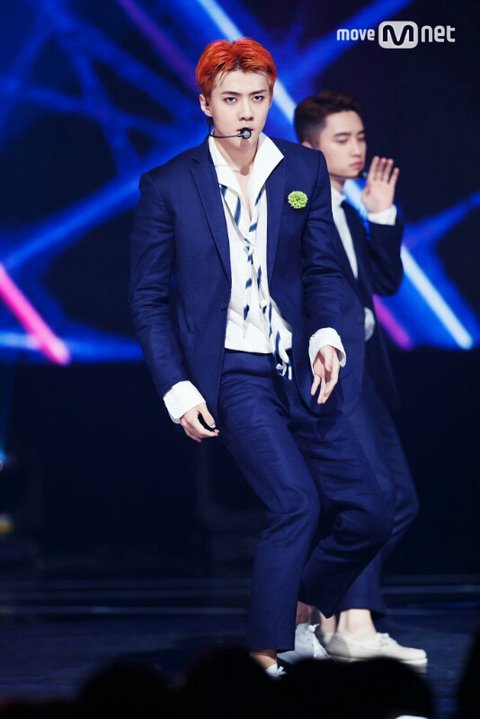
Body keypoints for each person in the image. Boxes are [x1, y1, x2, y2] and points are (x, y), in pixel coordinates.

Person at [129, 38, 393, 676]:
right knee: (295, 501)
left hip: (301, 368)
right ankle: (263, 653)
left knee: (370, 508)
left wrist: (325, 336)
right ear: (206, 104)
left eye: (258, 97)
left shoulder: (302, 171)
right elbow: (148, 298)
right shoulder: (170, 185)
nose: (246, 111)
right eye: (231, 99)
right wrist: (177, 388)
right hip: (234, 371)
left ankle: (298, 613)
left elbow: (322, 268)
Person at [292, 90, 426, 665]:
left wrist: (380, 215)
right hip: (330, 370)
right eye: (342, 139)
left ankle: (319, 609)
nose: (357, 149)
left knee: (400, 501)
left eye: (361, 137)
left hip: (365, 372)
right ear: (309, 148)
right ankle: (353, 624)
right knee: (369, 499)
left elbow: (385, 282)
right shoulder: (298, 208)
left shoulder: (348, 209)